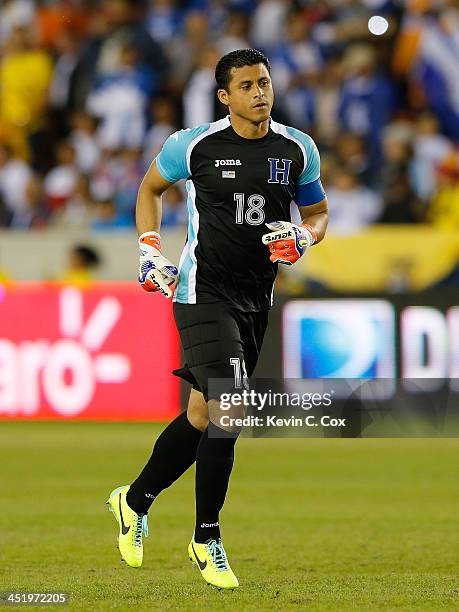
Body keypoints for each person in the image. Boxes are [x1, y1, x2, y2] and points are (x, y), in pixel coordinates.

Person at [106, 48, 328, 590]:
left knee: (205, 415)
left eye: (265, 82)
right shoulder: (194, 145)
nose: (260, 92)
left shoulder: (298, 149)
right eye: (247, 85)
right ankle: (207, 537)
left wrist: (303, 236)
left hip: (256, 297)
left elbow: (318, 215)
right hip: (202, 291)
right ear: (225, 97)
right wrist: (148, 248)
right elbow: (150, 189)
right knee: (231, 408)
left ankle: (132, 502)